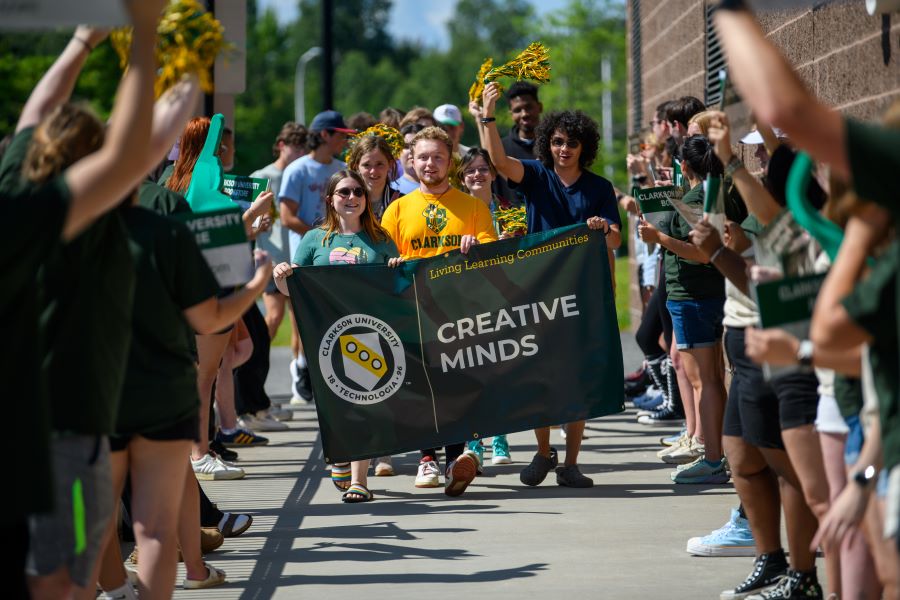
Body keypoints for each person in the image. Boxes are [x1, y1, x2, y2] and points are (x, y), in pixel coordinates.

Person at [2, 7, 170, 597]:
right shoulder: (65, 220)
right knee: (60, 579)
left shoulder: (14, 194)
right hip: (61, 430)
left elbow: (35, 114)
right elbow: (136, 151)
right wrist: (152, 36)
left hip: (54, 426)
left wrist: (81, 40)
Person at [481, 82, 620, 489]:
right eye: (557, 141)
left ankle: (571, 464)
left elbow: (615, 238)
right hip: (539, 294)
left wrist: (601, 229)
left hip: (582, 295)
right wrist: (488, 118)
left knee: (574, 380)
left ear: (584, 147)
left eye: (571, 143)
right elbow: (499, 163)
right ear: (548, 143)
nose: (564, 149)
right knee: (540, 377)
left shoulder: (597, 188)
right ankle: (543, 451)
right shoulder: (538, 175)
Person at [380, 126, 496, 496]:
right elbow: (381, 261)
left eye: (438, 157)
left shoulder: (474, 207)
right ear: (411, 162)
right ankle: (427, 457)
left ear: (451, 161)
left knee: (456, 384)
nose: (430, 163)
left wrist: (476, 245)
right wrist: (393, 262)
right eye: (423, 157)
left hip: (460, 312)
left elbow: (496, 260)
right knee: (421, 385)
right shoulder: (397, 209)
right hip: (413, 310)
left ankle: (455, 458)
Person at [273, 170, 400, 502]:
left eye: (358, 191)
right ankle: (341, 455)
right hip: (326, 336)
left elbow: (399, 287)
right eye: (344, 192)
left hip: (369, 333)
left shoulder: (381, 238)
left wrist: (398, 268)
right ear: (330, 199)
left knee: (365, 404)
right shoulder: (315, 240)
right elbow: (291, 288)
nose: (352, 197)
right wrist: (281, 274)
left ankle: (360, 481)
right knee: (336, 406)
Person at [638, 135, 728, 485]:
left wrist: (658, 238)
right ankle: (713, 451)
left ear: (684, 165)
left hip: (691, 296)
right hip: (709, 295)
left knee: (702, 380)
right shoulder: (712, 193)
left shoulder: (698, 195)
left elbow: (701, 252)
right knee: (711, 378)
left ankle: (711, 456)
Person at [279, 110, 354, 405]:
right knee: (303, 316)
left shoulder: (342, 168)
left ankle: (329, 374)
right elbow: (286, 216)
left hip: (338, 254)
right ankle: (301, 368)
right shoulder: (298, 170)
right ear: (324, 135)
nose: (343, 141)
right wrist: (321, 235)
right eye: (340, 135)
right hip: (306, 254)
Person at [250, 123, 308, 338]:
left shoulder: (303, 175)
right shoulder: (261, 176)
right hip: (271, 257)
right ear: (282, 145)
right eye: (297, 147)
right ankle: (254, 364)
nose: (301, 153)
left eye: (305, 148)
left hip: (298, 257)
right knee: (273, 318)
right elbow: (247, 220)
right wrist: (258, 223)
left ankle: (298, 369)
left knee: (300, 325)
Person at [469, 81, 542, 205]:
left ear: (540, 107)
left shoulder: (554, 147)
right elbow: (488, 158)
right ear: (511, 114)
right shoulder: (501, 148)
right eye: (518, 110)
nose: (524, 114)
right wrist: (479, 118)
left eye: (528, 107)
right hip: (512, 220)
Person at [346, 133, 401, 221]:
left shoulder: (401, 202)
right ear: (357, 166)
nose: (373, 171)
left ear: (390, 164)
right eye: (366, 165)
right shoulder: (348, 201)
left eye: (379, 164)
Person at [395, 123, 424, 195]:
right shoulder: (389, 190)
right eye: (406, 146)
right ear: (398, 152)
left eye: (417, 146)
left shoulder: (442, 190)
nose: (411, 151)